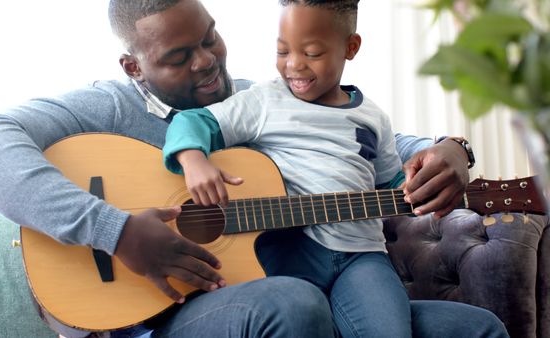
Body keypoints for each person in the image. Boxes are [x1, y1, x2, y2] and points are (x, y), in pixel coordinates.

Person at [0, 0, 504, 337]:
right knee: (292, 301)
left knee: (475, 329)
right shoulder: (109, 107)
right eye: (178, 55)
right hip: (150, 317)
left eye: (209, 35)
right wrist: (115, 232)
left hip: (296, 281)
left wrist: (453, 146)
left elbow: (364, 141)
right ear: (133, 66)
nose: (207, 59)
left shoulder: (255, 98)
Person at [161, 1, 508, 337]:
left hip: (363, 259)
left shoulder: (372, 117)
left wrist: (428, 185)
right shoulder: (263, 101)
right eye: (283, 51)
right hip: (289, 253)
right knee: (296, 312)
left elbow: (392, 180)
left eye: (311, 53)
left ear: (350, 47)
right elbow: (195, 121)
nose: (294, 65)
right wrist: (193, 160)